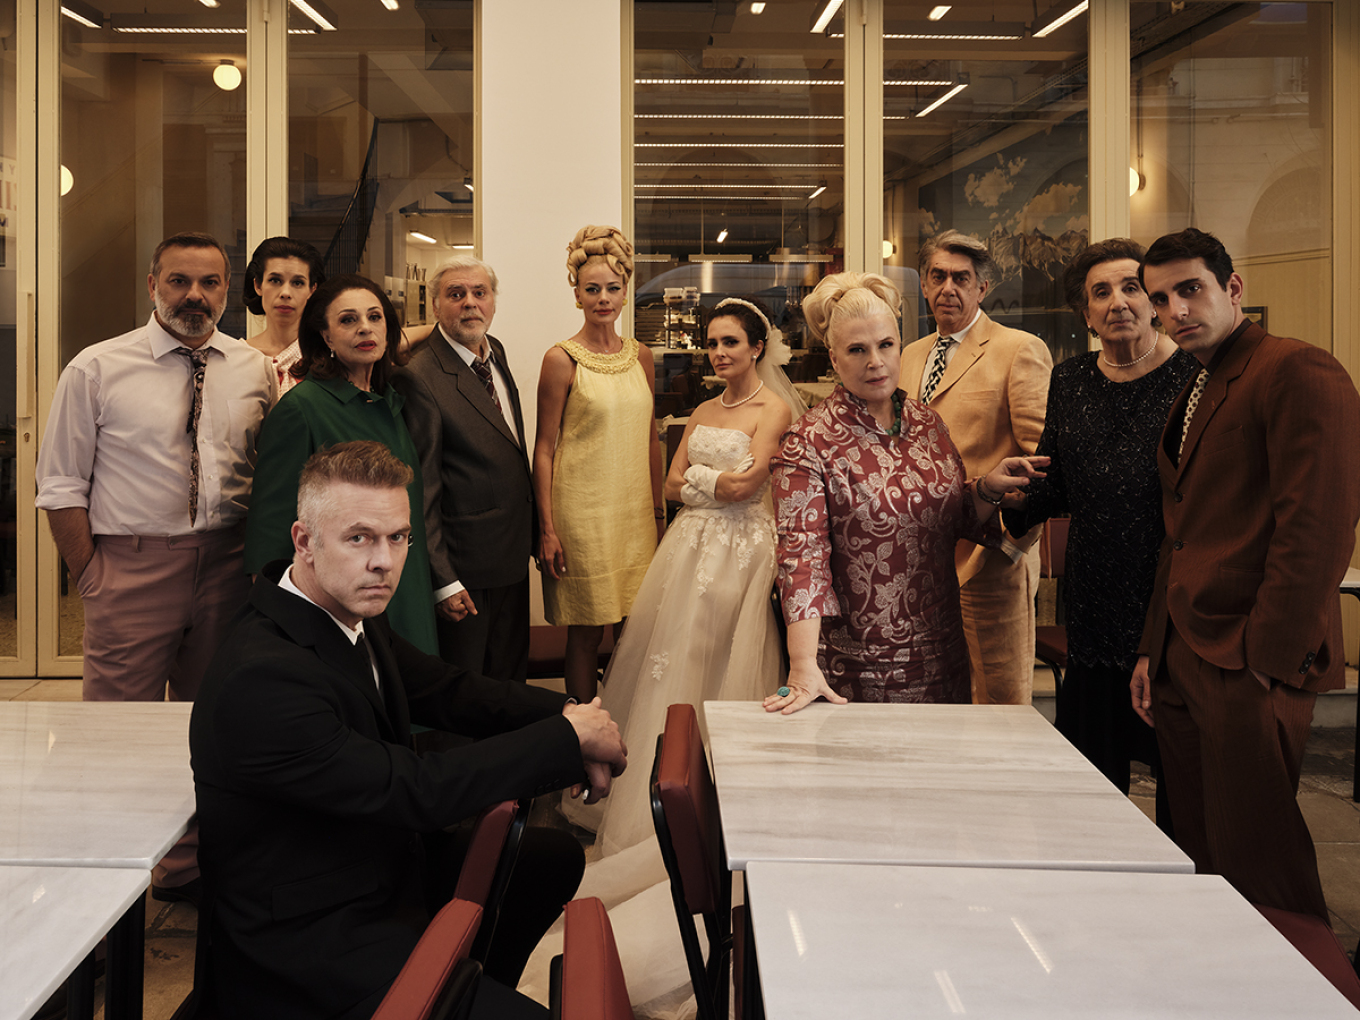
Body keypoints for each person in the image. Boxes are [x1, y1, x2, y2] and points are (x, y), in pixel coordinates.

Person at [191, 440, 627, 1020]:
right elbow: (414, 789)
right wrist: (569, 740)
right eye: (359, 538)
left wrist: (571, 714)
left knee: (546, 860)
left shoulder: (348, 612)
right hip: (308, 939)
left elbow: (450, 691)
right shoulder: (263, 676)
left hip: (373, 866)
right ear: (304, 541)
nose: (384, 561)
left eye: (397, 537)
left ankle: (463, 991)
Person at [35, 231, 274, 900]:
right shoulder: (96, 368)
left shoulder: (252, 368)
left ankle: (186, 869)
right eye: (179, 281)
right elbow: (60, 485)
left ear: (227, 291)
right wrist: (92, 576)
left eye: (209, 283)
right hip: (130, 567)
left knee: (211, 725)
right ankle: (109, 882)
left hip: (226, 565)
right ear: (152, 286)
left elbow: (266, 469)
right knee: (119, 733)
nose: (195, 295)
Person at [1132, 227, 1360, 922]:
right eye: (1160, 298)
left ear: (1233, 288)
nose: (1175, 310)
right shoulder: (1197, 384)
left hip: (1247, 656)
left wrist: (1268, 660)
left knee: (1261, 864)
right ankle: (1216, 969)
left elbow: (1319, 527)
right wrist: (1152, 649)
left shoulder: (1298, 369)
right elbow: (1182, 531)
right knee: (1202, 851)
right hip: (1184, 650)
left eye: (1190, 289)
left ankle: (1302, 976)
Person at [562, 296, 803, 853]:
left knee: (726, 653)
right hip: (689, 547)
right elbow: (670, 485)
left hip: (744, 550)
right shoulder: (702, 410)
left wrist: (701, 479)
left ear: (757, 348)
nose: (718, 353)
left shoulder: (774, 410)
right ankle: (660, 794)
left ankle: (722, 799)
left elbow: (747, 488)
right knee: (677, 653)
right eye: (712, 343)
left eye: (730, 343)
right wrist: (713, 481)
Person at [765, 272, 1046, 715]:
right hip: (859, 667)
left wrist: (986, 489)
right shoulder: (808, 442)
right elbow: (802, 560)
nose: (875, 362)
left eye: (885, 345)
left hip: (942, 655)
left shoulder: (928, 424)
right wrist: (802, 664)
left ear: (901, 345)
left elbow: (950, 519)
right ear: (834, 359)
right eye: (857, 350)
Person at [1000, 239, 1195, 825]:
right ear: (1085, 314)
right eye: (1100, 293)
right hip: (1092, 606)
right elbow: (1052, 483)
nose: (1118, 303)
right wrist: (997, 494)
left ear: (1154, 300)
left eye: (1132, 287)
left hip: (1169, 604)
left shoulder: (1193, 378)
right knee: (1091, 784)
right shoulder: (1071, 379)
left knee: (1180, 778)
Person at [245, 274, 438, 655]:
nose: (365, 328)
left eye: (374, 317)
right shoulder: (302, 409)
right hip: (340, 599)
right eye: (348, 320)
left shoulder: (391, 401)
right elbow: (271, 533)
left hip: (406, 582)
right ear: (326, 337)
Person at [899, 230, 1052, 705]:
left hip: (990, 558)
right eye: (938, 276)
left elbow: (1042, 461)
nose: (949, 288)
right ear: (924, 284)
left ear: (982, 288)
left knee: (998, 699)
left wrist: (1010, 543)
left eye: (961, 278)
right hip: (922, 559)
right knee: (937, 694)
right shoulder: (909, 355)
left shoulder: (1019, 349)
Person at [533, 225, 663, 702]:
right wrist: (547, 529)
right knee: (586, 632)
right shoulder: (560, 359)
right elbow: (544, 448)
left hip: (634, 516)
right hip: (582, 518)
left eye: (612, 288)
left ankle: (629, 721)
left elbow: (649, 438)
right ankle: (586, 733)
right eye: (592, 289)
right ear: (577, 295)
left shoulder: (641, 357)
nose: (603, 298)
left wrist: (658, 514)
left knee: (635, 628)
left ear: (626, 292)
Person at [392, 256, 535, 682]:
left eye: (479, 293)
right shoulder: (419, 376)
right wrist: (444, 580)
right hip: (464, 570)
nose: (470, 303)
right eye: (456, 294)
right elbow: (421, 489)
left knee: (510, 681)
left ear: (493, 301)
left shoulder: (495, 351)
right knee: (468, 689)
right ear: (435, 306)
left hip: (510, 556)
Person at [241, 236, 325, 396]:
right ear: (258, 285)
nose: (285, 293)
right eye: (275, 280)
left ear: (312, 290)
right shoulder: (236, 358)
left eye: (298, 283)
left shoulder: (327, 359)